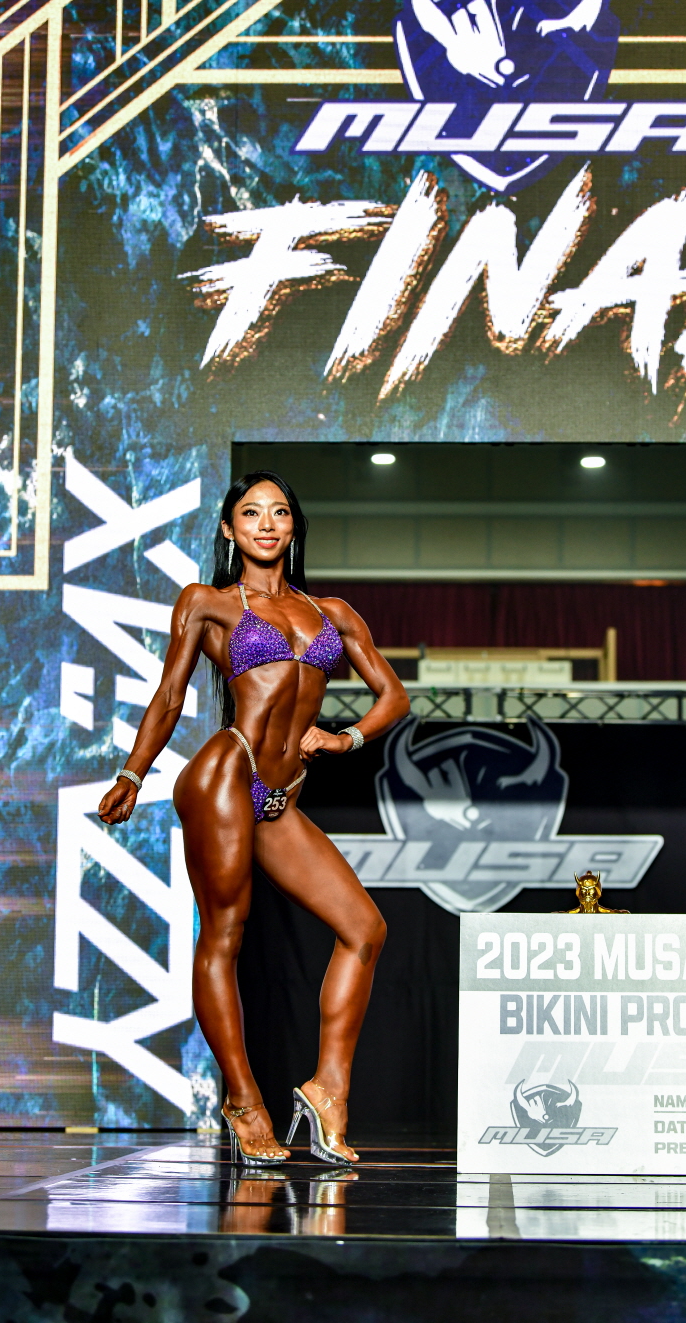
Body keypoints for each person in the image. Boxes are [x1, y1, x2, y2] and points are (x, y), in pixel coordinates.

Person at [97, 470, 410, 1164]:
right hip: (226, 774)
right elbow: (170, 696)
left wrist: (346, 739)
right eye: (250, 513)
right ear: (229, 528)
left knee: (364, 929)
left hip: (280, 797)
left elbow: (393, 696)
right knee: (226, 934)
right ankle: (243, 1098)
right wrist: (132, 773)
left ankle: (328, 1091)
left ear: (293, 526)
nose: (266, 524)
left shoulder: (333, 613)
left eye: (278, 513)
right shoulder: (207, 602)